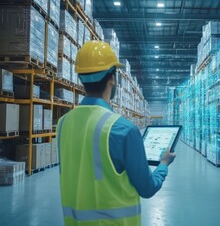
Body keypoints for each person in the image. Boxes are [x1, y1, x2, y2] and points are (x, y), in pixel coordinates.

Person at [56, 40, 176, 226]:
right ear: (112, 78)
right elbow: (147, 188)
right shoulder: (123, 129)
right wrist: (163, 164)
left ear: (81, 78)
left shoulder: (63, 124)